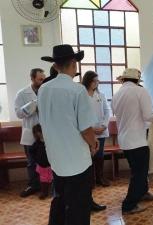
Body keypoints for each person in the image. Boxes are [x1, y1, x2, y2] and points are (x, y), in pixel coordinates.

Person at [39, 44, 99, 225]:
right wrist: (94, 144)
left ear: (55, 66)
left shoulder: (44, 89)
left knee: (60, 199)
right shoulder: (77, 90)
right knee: (78, 205)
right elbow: (86, 129)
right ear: (73, 63)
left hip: (56, 157)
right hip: (76, 159)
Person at [112, 68, 153, 214]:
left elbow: (117, 113)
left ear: (124, 79)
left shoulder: (117, 94)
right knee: (139, 174)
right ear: (137, 80)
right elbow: (148, 115)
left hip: (125, 140)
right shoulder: (141, 91)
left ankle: (143, 193)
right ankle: (129, 205)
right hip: (137, 141)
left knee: (138, 171)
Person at [14, 68, 45, 197]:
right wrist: (33, 105)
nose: (43, 81)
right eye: (40, 79)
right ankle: (33, 185)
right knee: (32, 161)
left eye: (44, 79)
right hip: (30, 132)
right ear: (32, 79)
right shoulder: (22, 94)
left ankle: (46, 185)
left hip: (45, 133)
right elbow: (19, 113)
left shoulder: (46, 91)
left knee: (46, 160)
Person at [82, 71, 111, 187]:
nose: (96, 83)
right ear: (88, 81)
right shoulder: (82, 95)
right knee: (89, 155)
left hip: (101, 130)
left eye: (97, 81)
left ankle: (100, 177)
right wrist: (91, 129)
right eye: (94, 81)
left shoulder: (101, 95)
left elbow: (107, 111)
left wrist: (104, 125)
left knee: (99, 155)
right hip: (88, 131)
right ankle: (90, 180)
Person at [31, 124, 52, 199]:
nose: (39, 134)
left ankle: (54, 192)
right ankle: (44, 192)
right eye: (37, 132)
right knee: (43, 180)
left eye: (40, 132)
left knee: (52, 178)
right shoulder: (36, 143)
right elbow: (31, 152)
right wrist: (36, 160)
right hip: (41, 165)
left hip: (51, 165)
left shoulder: (50, 142)